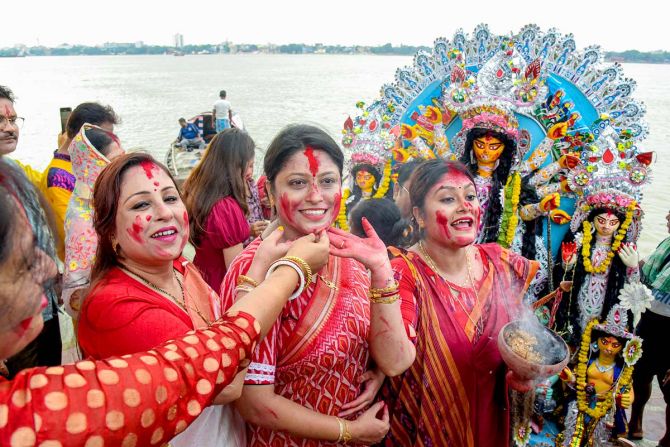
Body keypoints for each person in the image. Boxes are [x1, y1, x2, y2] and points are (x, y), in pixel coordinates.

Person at [0, 158, 331, 446]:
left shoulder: (180, 267)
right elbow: (224, 381)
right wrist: (291, 269)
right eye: (141, 205)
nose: (164, 212)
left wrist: (259, 264)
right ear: (110, 233)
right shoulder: (113, 306)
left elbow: (222, 339)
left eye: (171, 197)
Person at [221, 123, 415, 446]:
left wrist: (381, 270)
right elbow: (253, 402)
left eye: (327, 181)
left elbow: (395, 362)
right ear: (269, 192)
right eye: (297, 183)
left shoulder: (351, 254)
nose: (315, 197)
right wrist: (347, 431)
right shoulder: (255, 270)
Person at [381, 159, 539, 447]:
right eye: (447, 199)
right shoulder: (403, 274)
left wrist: (521, 369)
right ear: (419, 215)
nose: (465, 206)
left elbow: (520, 333)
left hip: (490, 422)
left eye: (470, 196)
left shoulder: (501, 262)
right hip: (427, 426)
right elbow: (392, 359)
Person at [0, 86, 62, 375]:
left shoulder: (15, 172)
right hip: (9, 319)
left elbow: (40, 230)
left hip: (43, 305)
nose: (9, 128)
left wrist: (57, 278)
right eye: (0, 121)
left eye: (13, 120)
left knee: (49, 382)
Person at [62, 124, 125, 320]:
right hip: (107, 314)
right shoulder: (83, 218)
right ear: (95, 164)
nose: (124, 165)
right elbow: (79, 291)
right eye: (116, 160)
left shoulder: (101, 200)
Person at [182, 129, 255, 290]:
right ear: (234, 165)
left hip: (202, 277)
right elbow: (235, 272)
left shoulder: (198, 192)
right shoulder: (226, 208)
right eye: (249, 166)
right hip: (220, 285)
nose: (251, 173)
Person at [628, 210, 670, 446]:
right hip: (651, 320)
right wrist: (632, 262)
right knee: (640, 374)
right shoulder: (667, 242)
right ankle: (635, 425)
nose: (666, 218)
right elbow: (647, 272)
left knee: (668, 387)